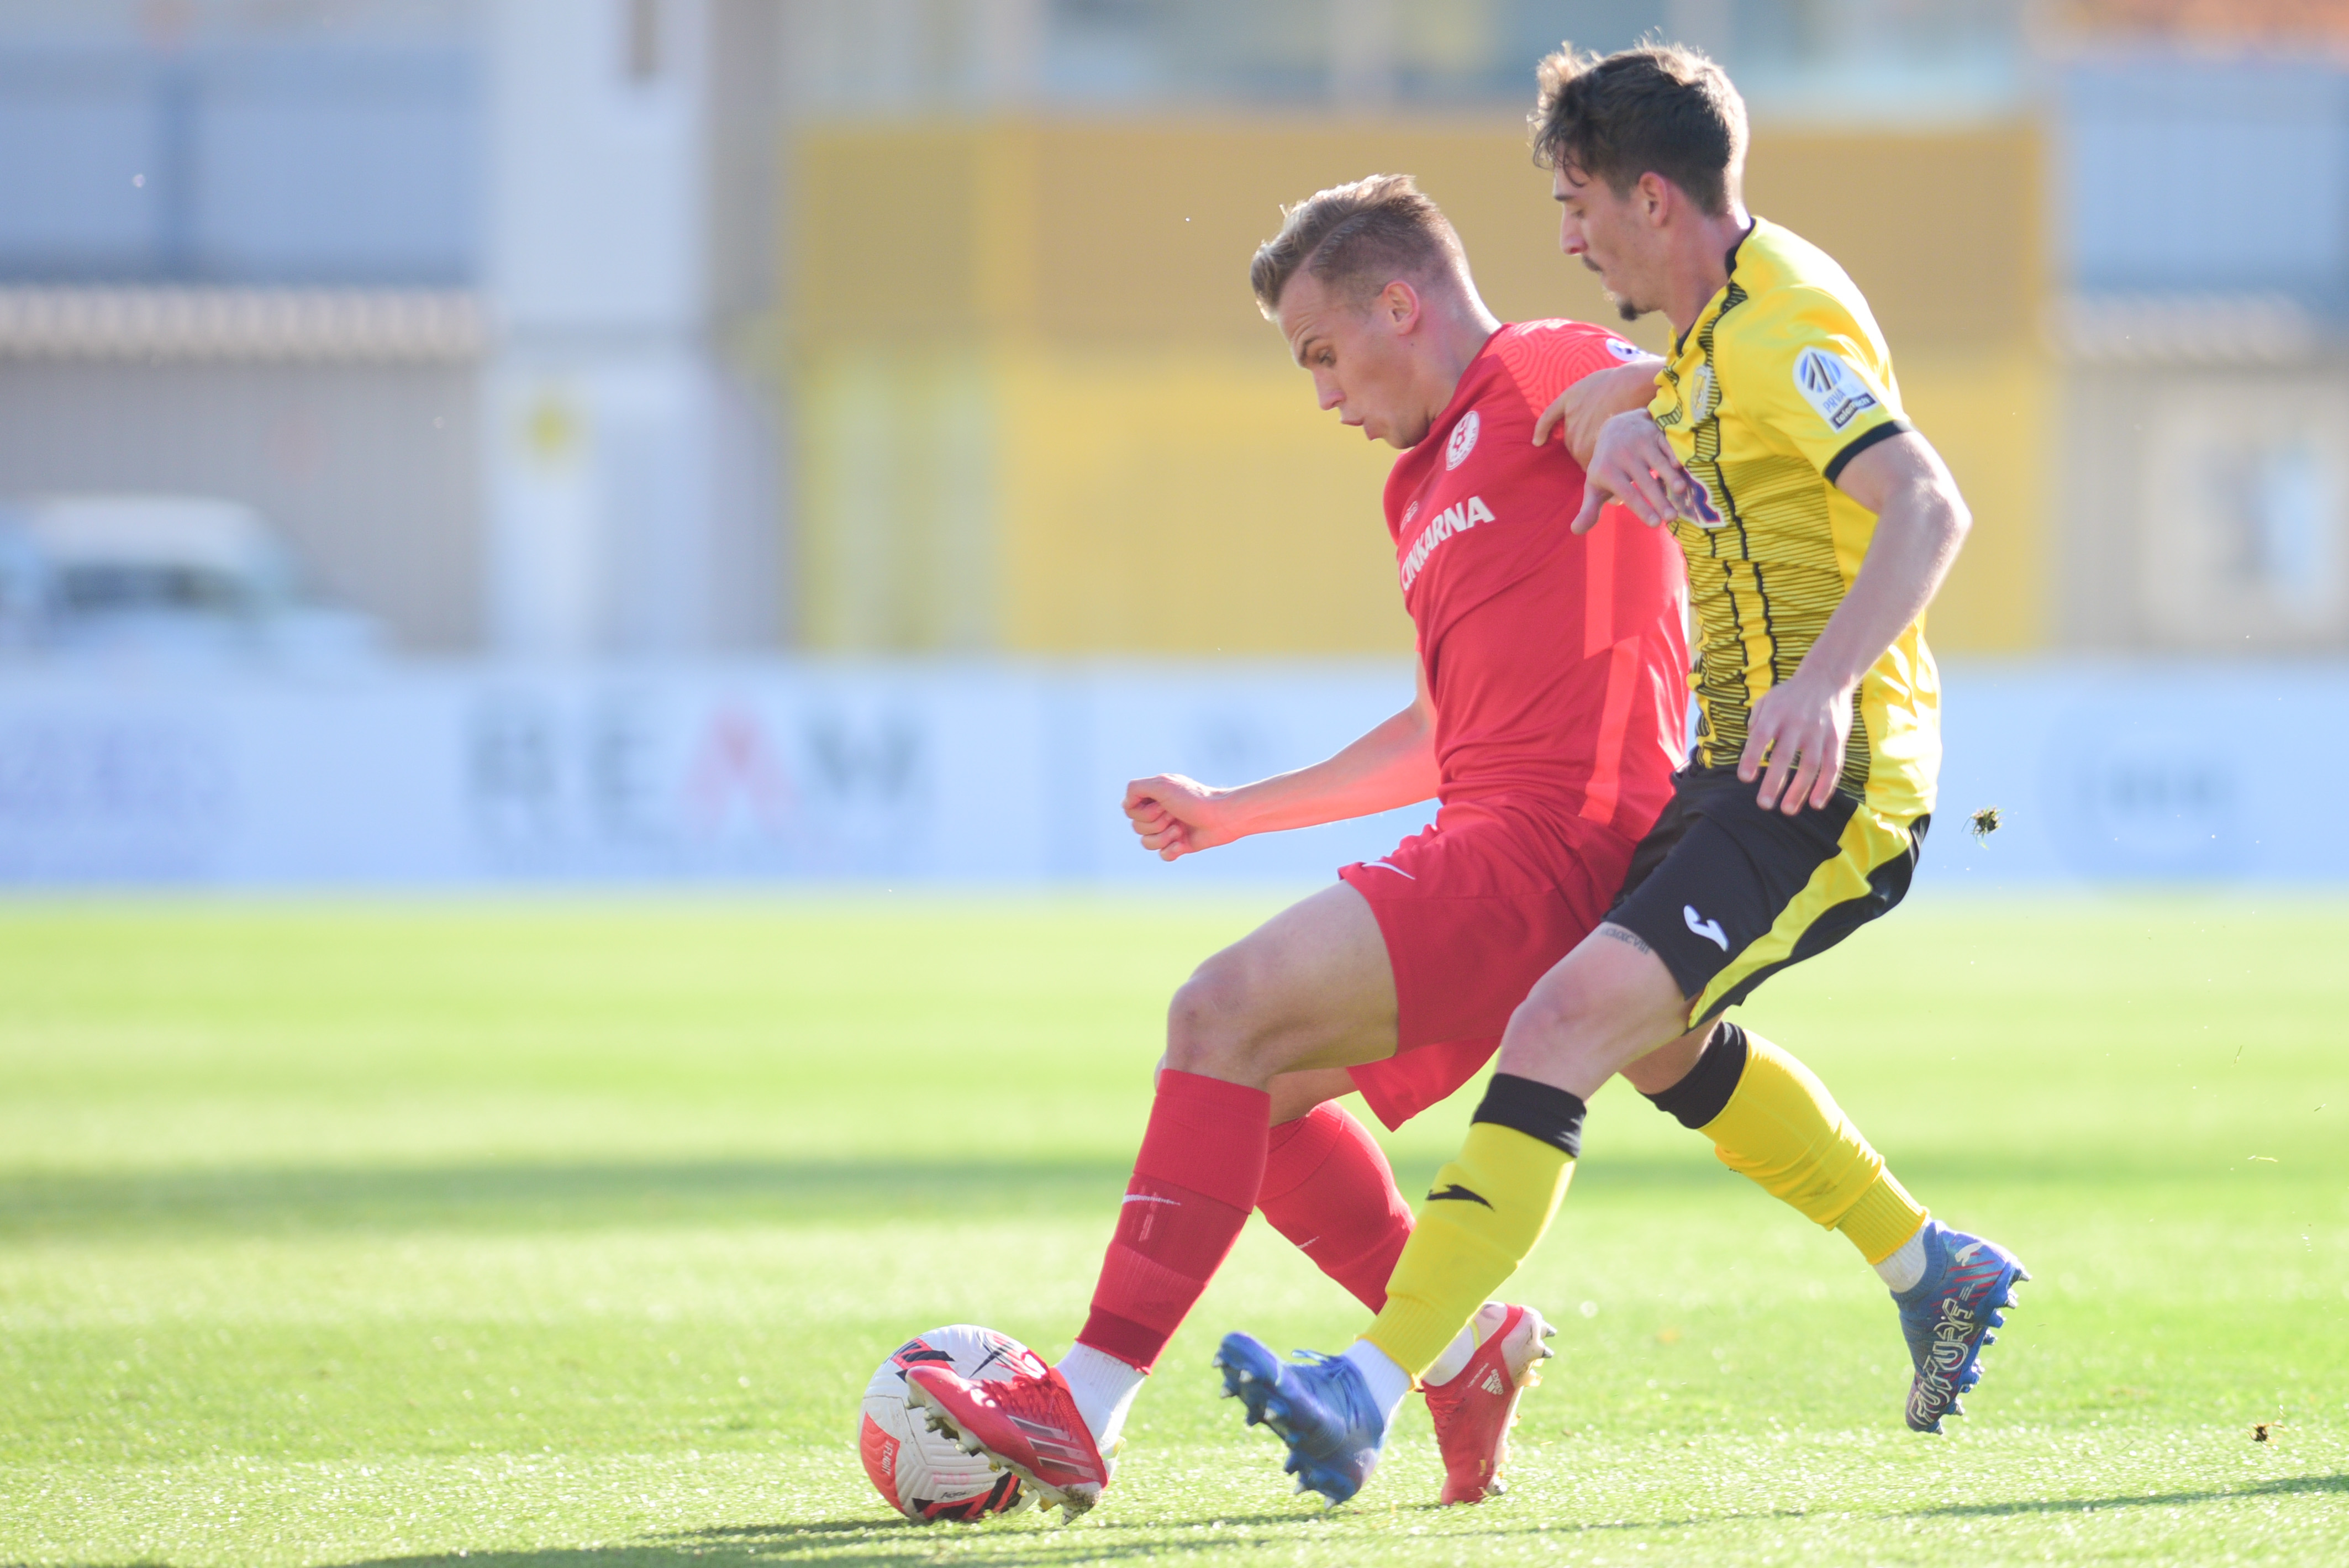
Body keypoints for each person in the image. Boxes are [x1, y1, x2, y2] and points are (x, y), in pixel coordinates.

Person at [1215, 43, 2029, 1506]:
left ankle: (1367, 1386)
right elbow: (1713, 399)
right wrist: (1638, 402)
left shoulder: (1775, 317)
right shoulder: (1721, 332)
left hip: (1825, 776)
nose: (1567, 236)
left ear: (1651, 198)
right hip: (1733, 765)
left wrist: (1819, 686)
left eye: (1576, 202)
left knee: (1562, 1018)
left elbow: (1924, 501)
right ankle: (1929, 1265)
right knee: (1654, 1042)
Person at [901, 173, 1690, 1516]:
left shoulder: (1541, 363)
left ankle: (1083, 1406)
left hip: (1563, 838)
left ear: (1400, 305)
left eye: (1322, 352)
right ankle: (1458, 1352)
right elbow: (1442, 728)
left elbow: (1702, 387)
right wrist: (1235, 811)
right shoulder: (1415, 486)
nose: (1321, 393)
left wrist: (1646, 399)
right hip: (1493, 833)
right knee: (1246, 1099)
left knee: (1218, 1014)